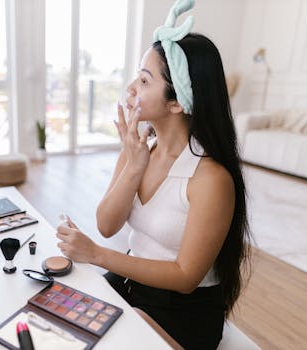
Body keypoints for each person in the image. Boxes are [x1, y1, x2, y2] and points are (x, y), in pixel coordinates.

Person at [56, 0, 250, 348]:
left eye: (144, 80)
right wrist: (133, 166)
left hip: (184, 313)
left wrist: (97, 254)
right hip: (130, 284)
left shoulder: (210, 178)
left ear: (177, 102)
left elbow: (185, 277)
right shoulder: (140, 148)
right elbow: (107, 224)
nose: (131, 88)